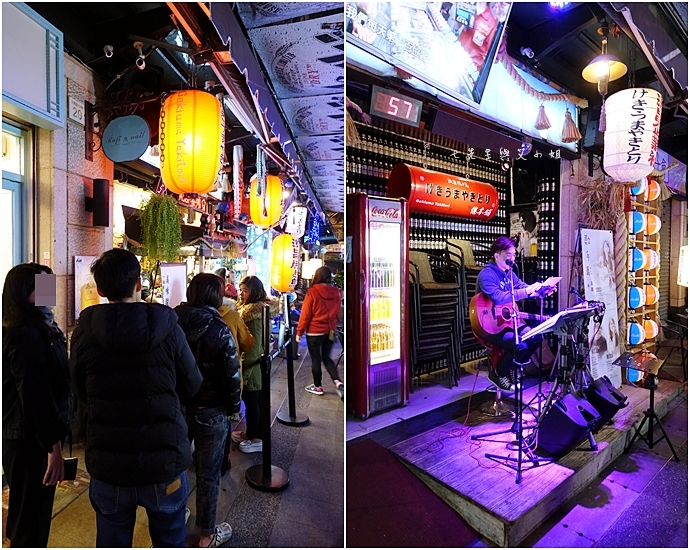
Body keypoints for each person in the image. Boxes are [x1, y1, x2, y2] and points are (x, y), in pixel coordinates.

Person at [69, 248, 202, 548]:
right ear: (139, 283)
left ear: (100, 290)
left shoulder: (84, 332)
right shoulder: (168, 327)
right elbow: (192, 383)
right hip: (165, 460)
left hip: (109, 463)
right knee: (169, 539)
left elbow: (78, 390)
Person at [3, 263, 71, 547]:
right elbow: (35, 398)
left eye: (49, 286)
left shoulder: (44, 327)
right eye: (40, 287)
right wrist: (53, 448)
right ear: (23, 292)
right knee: (30, 520)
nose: (48, 293)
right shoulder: (24, 334)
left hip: (34, 438)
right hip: (30, 442)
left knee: (31, 514)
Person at [175, 274, 241, 548]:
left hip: (178, 408)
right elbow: (231, 375)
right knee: (208, 474)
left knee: (177, 466)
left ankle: (175, 514)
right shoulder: (220, 329)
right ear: (215, 297)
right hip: (212, 411)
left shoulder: (173, 323)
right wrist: (234, 408)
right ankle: (206, 535)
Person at [475, 236, 553, 392]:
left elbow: (522, 287)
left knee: (537, 337)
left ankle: (512, 366)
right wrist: (526, 291)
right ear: (496, 255)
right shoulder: (487, 274)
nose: (512, 259)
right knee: (520, 346)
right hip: (487, 324)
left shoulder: (509, 273)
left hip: (506, 321)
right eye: (508, 255)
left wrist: (540, 290)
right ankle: (498, 374)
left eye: (514, 255)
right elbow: (498, 298)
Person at [230, 276, 280, 454]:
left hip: (253, 366)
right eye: (241, 290)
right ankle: (252, 433)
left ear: (255, 291)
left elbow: (253, 346)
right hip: (257, 365)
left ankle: (257, 439)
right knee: (255, 402)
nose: (241, 294)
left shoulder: (253, 315)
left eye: (245, 291)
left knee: (253, 403)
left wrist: (243, 372)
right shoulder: (258, 310)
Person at [217, 294, 254, 473]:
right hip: (228, 371)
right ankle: (223, 462)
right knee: (225, 420)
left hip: (198, 380)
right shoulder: (232, 315)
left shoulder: (192, 315)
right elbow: (247, 343)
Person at [296, 266, 344, 400]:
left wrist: (299, 332)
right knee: (327, 357)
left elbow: (305, 314)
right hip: (329, 330)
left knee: (316, 359)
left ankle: (318, 386)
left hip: (314, 332)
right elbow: (336, 313)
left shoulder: (312, 292)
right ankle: (337, 381)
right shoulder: (336, 292)